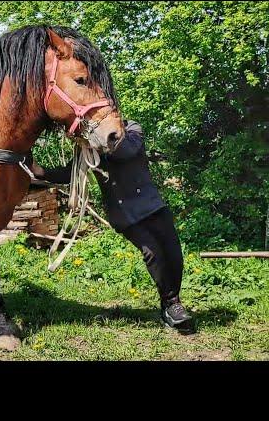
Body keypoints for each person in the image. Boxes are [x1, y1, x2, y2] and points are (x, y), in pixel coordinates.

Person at [32, 120, 195, 333]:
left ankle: (170, 302)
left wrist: (92, 140)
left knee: (174, 254)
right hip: (126, 215)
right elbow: (68, 173)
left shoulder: (133, 129)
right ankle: (172, 303)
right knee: (152, 252)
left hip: (153, 206)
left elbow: (126, 151)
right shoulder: (88, 146)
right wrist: (40, 171)